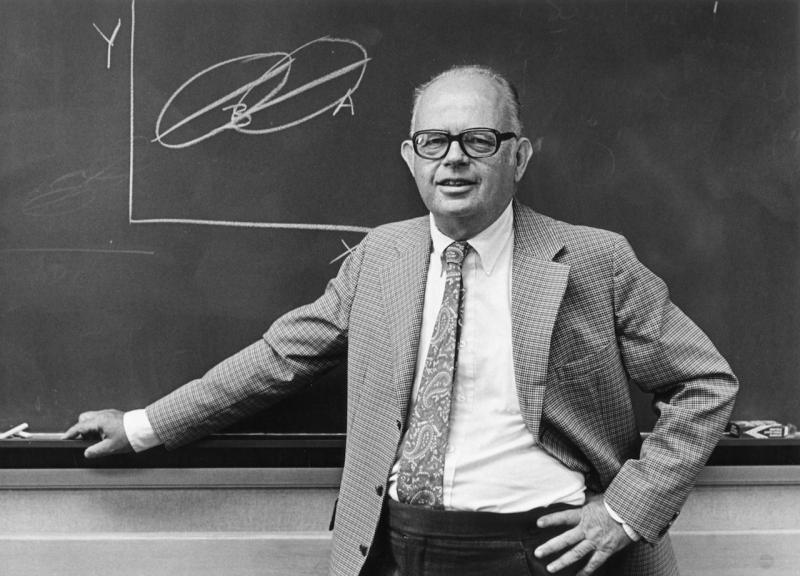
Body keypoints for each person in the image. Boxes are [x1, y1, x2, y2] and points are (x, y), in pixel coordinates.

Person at [65, 65, 738, 576]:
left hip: (549, 550)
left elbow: (704, 384)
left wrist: (625, 511)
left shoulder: (594, 260)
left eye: (478, 139)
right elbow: (279, 358)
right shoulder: (380, 256)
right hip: (396, 546)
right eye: (434, 140)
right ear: (409, 157)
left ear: (520, 155)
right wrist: (139, 427)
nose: (453, 158)